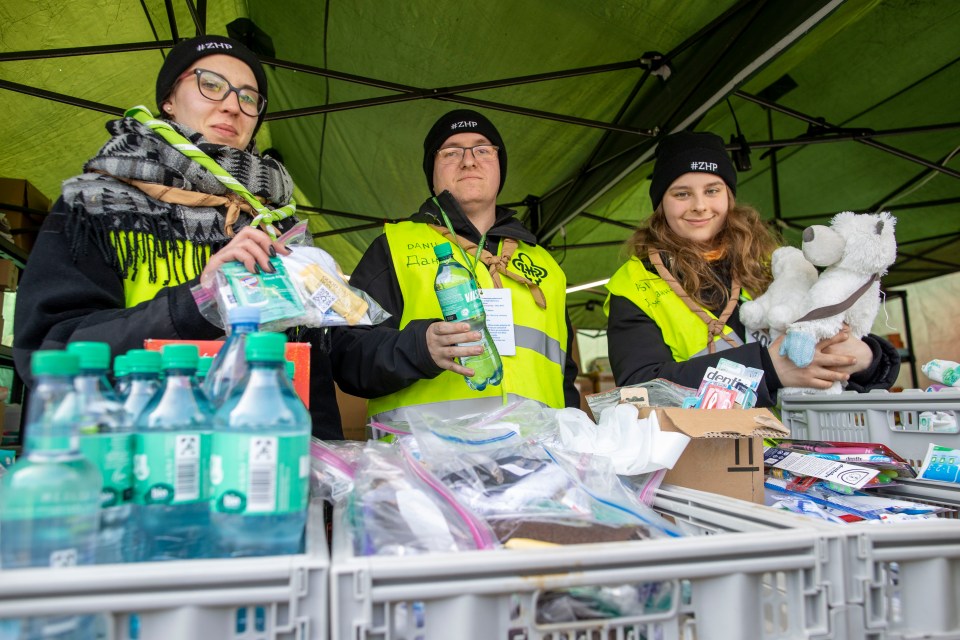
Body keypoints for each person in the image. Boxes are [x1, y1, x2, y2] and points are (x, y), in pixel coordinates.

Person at [13, 35, 342, 438]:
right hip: (131, 467)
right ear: (169, 99)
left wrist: (320, 470)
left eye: (249, 98)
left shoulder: (273, 221)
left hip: (262, 467)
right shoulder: (97, 204)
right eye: (211, 84)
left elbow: (311, 375)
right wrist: (202, 302)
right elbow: (51, 351)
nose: (231, 106)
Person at [604, 131, 899, 405]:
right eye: (681, 194)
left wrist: (867, 359)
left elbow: (826, 322)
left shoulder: (774, 262)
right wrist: (766, 370)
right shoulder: (633, 283)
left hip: (794, 446)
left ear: (729, 196)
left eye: (712, 190)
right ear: (661, 204)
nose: (699, 206)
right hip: (703, 455)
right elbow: (640, 391)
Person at [331, 109, 580, 421]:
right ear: (432, 176)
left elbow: (564, 380)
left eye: (483, 149)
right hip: (427, 464)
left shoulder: (546, 267)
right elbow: (346, 357)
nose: (469, 161)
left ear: (499, 167)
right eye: (451, 152)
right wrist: (419, 348)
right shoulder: (392, 247)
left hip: (538, 463)